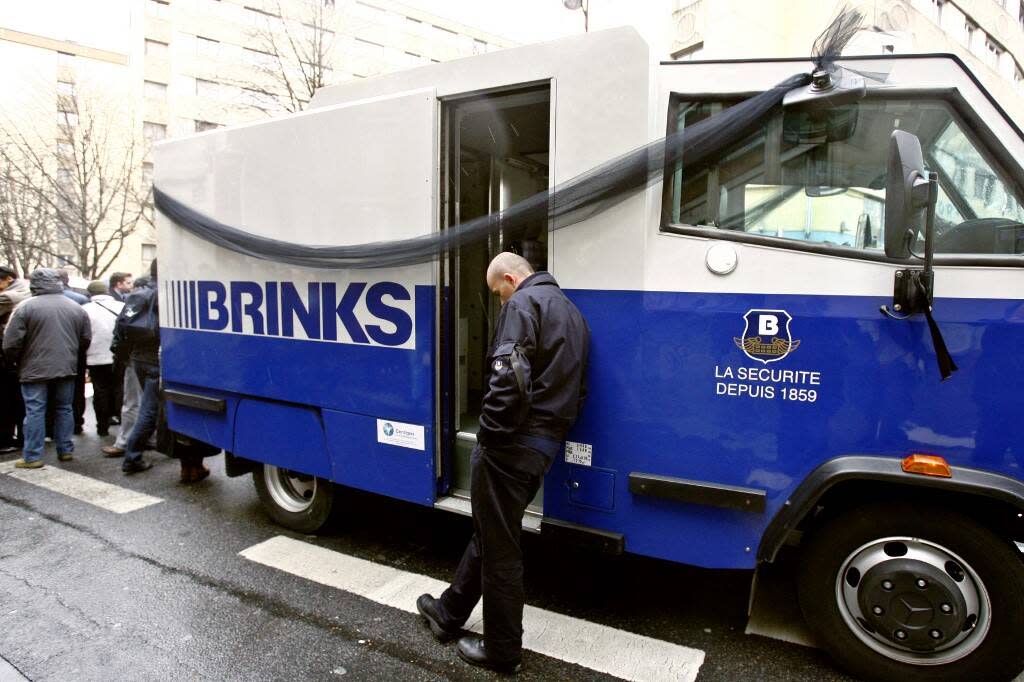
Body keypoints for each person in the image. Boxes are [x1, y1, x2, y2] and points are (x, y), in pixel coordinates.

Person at [417, 252, 590, 673]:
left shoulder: (522, 305)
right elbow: (578, 388)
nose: (499, 301)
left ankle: (502, 650)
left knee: (500, 549)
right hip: (543, 443)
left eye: (498, 293)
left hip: (511, 444)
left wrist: (490, 435)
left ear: (511, 279)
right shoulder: (571, 312)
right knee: (494, 529)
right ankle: (448, 612)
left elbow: (508, 377)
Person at [2, 268, 91, 468]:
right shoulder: (76, 307)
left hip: (33, 367)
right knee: (64, 408)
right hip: (67, 366)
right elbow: (85, 338)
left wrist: (15, 361)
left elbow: (11, 343)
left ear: (34, 284)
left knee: (35, 410)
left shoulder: (25, 308)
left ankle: (33, 455)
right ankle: (66, 449)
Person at [112, 262, 159, 475]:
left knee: (149, 407)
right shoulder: (165, 294)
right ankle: (132, 457)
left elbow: (120, 329)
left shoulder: (140, 294)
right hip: (156, 358)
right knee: (150, 410)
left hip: (138, 358)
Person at [82, 280, 124, 437]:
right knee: (119, 389)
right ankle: (122, 425)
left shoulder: (85, 310)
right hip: (118, 355)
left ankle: (102, 426)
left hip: (95, 357)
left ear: (90, 293)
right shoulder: (121, 306)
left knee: (100, 391)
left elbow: (83, 336)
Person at [0, 265, 31, 453]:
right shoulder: (28, 292)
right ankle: (22, 437)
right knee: (20, 399)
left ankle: (5, 439)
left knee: (6, 399)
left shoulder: (8, 297)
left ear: (8, 279)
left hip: (8, 357)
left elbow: (10, 340)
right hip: (23, 356)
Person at [107, 273, 133, 421]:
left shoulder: (123, 298)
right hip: (116, 350)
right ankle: (115, 414)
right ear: (119, 284)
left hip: (113, 350)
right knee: (117, 385)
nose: (131, 286)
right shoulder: (120, 302)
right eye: (128, 283)